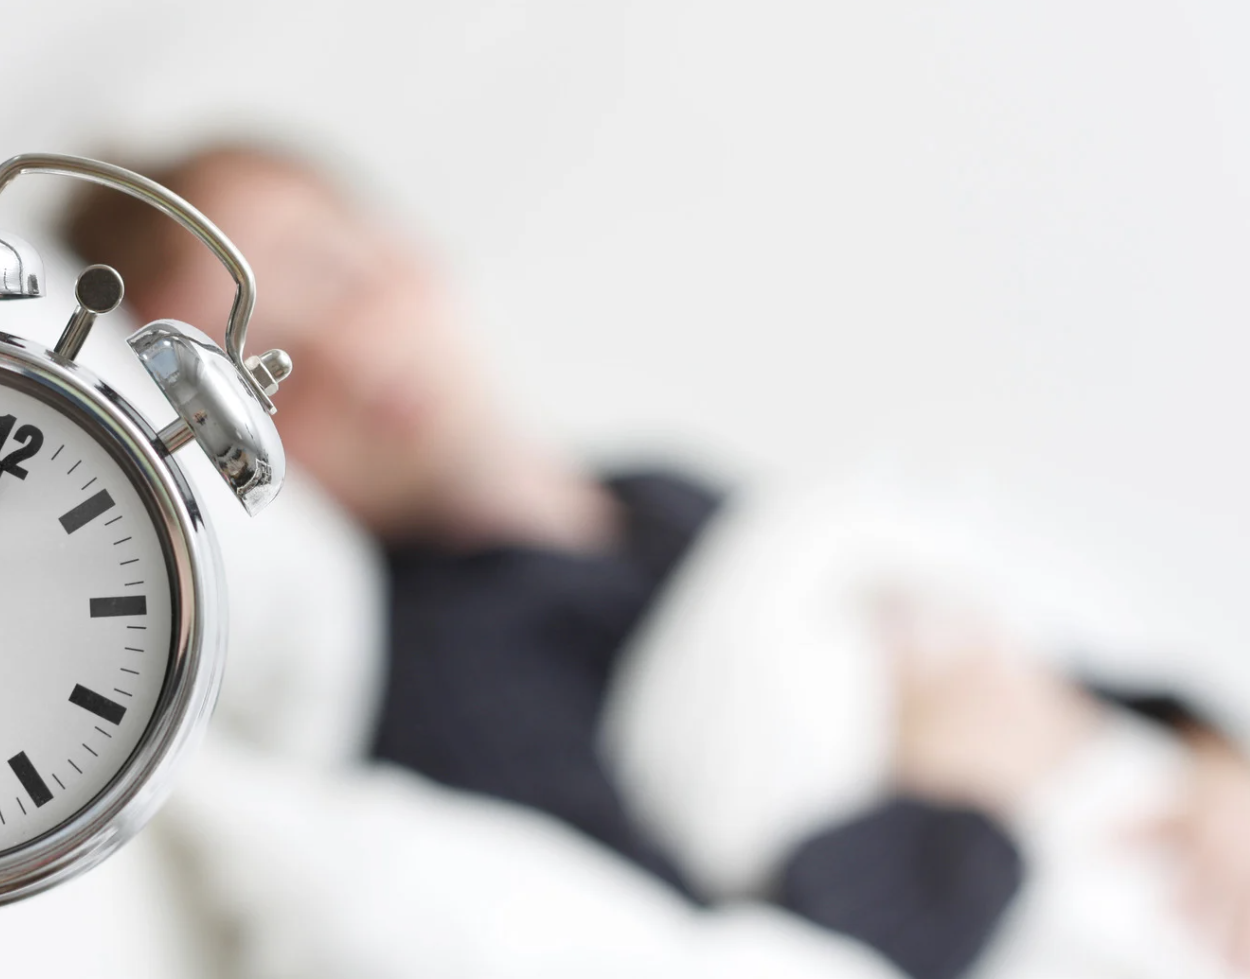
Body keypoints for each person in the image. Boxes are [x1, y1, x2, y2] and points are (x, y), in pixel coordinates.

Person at [62, 142, 1250, 979]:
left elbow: (1010, 654)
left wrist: (1205, 761)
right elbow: (751, 949)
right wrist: (966, 797)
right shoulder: (453, 684)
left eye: (338, 277)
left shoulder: (667, 501)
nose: (356, 362)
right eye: (272, 369)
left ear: (412, 254)